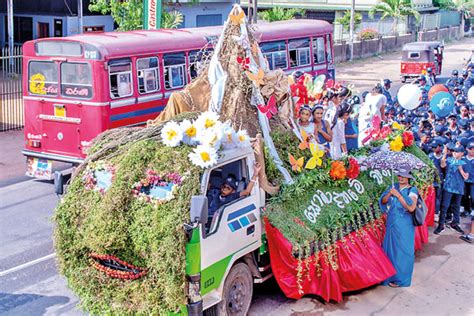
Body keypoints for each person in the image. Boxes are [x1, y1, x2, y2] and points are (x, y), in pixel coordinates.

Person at [380, 169, 418, 287]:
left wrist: (399, 196)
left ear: (408, 178)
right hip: (392, 223)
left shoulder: (412, 190)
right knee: (390, 251)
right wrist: (389, 194)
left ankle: (401, 279)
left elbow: (411, 208)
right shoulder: (393, 186)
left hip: (404, 225)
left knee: (403, 251)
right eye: (399, 175)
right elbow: (383, 201)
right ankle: (389, 276)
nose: (400, 178)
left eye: (404, 176)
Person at [434, 145, 468, 234]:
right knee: (444, 206)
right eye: (454, 152)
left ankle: (455, 223)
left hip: (459, 188)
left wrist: (460, 168)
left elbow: (466, 177)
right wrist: (445, 154)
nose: (455, 153)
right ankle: (441, 225)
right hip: (448, 187)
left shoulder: (465, 162)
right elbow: (442, 164)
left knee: (456, 207)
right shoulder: (449, 160)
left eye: (457, 152)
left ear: (462, 153)